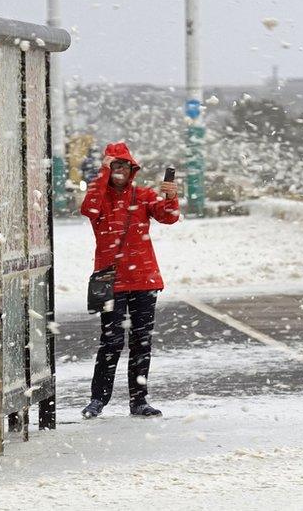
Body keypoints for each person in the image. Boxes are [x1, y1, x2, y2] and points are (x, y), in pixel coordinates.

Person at [79, 141, 180, 418]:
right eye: (114, 166)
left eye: (123, 166)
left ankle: (139, 400)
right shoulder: (99, 196)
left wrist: (171, 197)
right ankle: (98, 399)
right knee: (110, 342)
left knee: (141, 341)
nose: (119, 171)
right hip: (111, 280)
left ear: (132, 169)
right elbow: (89, 209)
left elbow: (169, 217)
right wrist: (102, 172)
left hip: (144, 279)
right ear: (106, 170)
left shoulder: (143, 196)